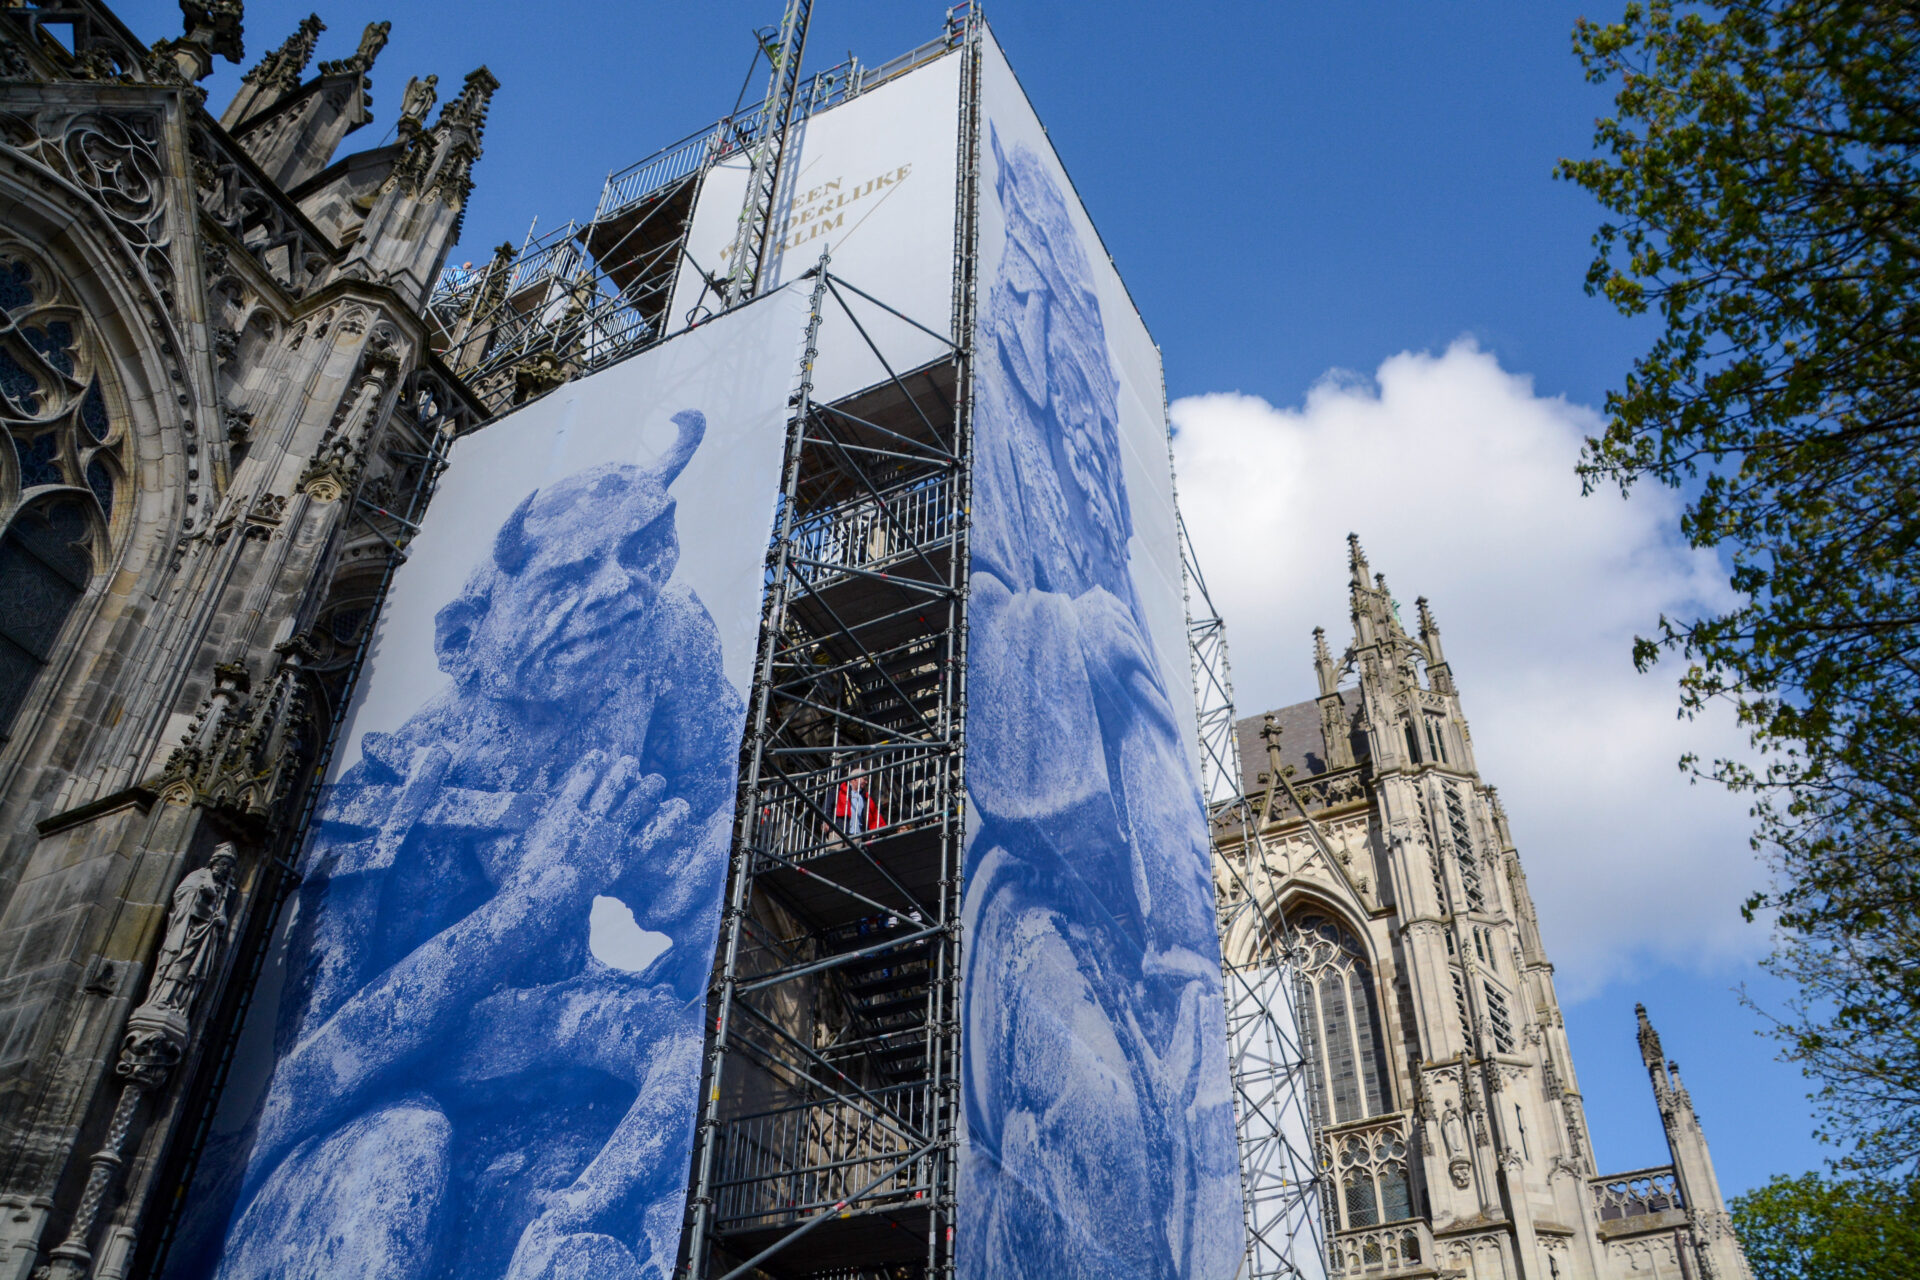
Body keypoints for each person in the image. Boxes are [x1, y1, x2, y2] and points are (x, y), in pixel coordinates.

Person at [194, 413, 743, 1280]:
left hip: (534, 1046)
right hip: (380, 1113)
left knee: (691, 1082)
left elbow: (728, 822)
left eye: (640, 559)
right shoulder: (383, 794)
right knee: (402, 1150)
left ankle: (570, 1225)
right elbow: (303, 1084)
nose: (618, 592)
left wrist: (687, 874)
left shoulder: (652, 654)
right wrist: (537, 906)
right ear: (465, 638)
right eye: (569, 575)